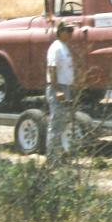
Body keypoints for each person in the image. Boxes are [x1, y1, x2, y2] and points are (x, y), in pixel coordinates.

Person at [46, 21, 75, 164]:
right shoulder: (56, 47)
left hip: (66, 87)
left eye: (72, 31)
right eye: (69, 31)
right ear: (61, 31)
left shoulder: (65, 47)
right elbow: (52, 69)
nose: (71, 34)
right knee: (56, 123)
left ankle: (61, 155)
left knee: (64, 123)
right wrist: (57, 90)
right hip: (58, 88)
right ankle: (52, 158)